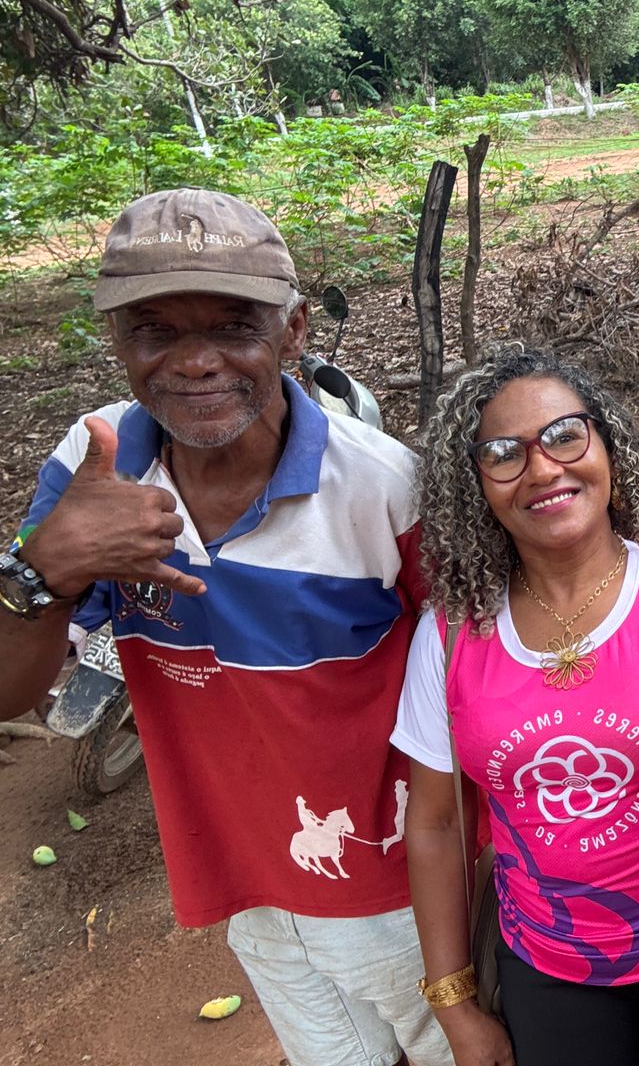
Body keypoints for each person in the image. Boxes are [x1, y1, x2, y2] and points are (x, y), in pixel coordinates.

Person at [0, 189, 449, 1066]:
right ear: (118, 340)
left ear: (294, 331)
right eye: (155, 330)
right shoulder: (91, 464)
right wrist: (44, 570)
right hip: (245, 874)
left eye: (235, 326)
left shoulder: (385, 487)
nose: (196, 362)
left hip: (398, 881)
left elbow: (477, 682)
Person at [390, 346, 639, 1066]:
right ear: (475, 487)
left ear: (610, 449)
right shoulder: (448, 635)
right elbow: (437, 824)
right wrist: (454, 1006)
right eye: (504, 454)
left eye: (565, 436)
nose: (543, 469)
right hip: (548, 965)